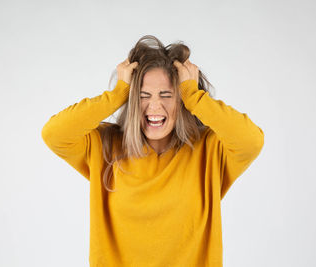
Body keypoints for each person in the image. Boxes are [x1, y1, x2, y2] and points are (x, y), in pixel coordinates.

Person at [41, 35, 264, 266]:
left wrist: (195, 97)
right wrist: (116, 95)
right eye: (143, 95)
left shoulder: (209, 149)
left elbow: (251, 141)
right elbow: (54, 134)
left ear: (181, 100)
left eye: (167, 95)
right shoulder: (105, 145)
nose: (154, 107)